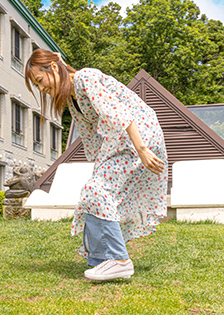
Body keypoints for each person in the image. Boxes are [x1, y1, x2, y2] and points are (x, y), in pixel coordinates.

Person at [25, 49, 168, 281]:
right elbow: (93, 138)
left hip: (137, 134)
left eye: (40, 81)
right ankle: (101, 260)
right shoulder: (72, 97)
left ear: (52, 69)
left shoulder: (85, 78)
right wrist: (99, 170)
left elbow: (118, 112)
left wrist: (142, 149)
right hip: (121, 139)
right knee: (93, 191)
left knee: (96, 190)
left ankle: (119, 260)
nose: (41, 89)